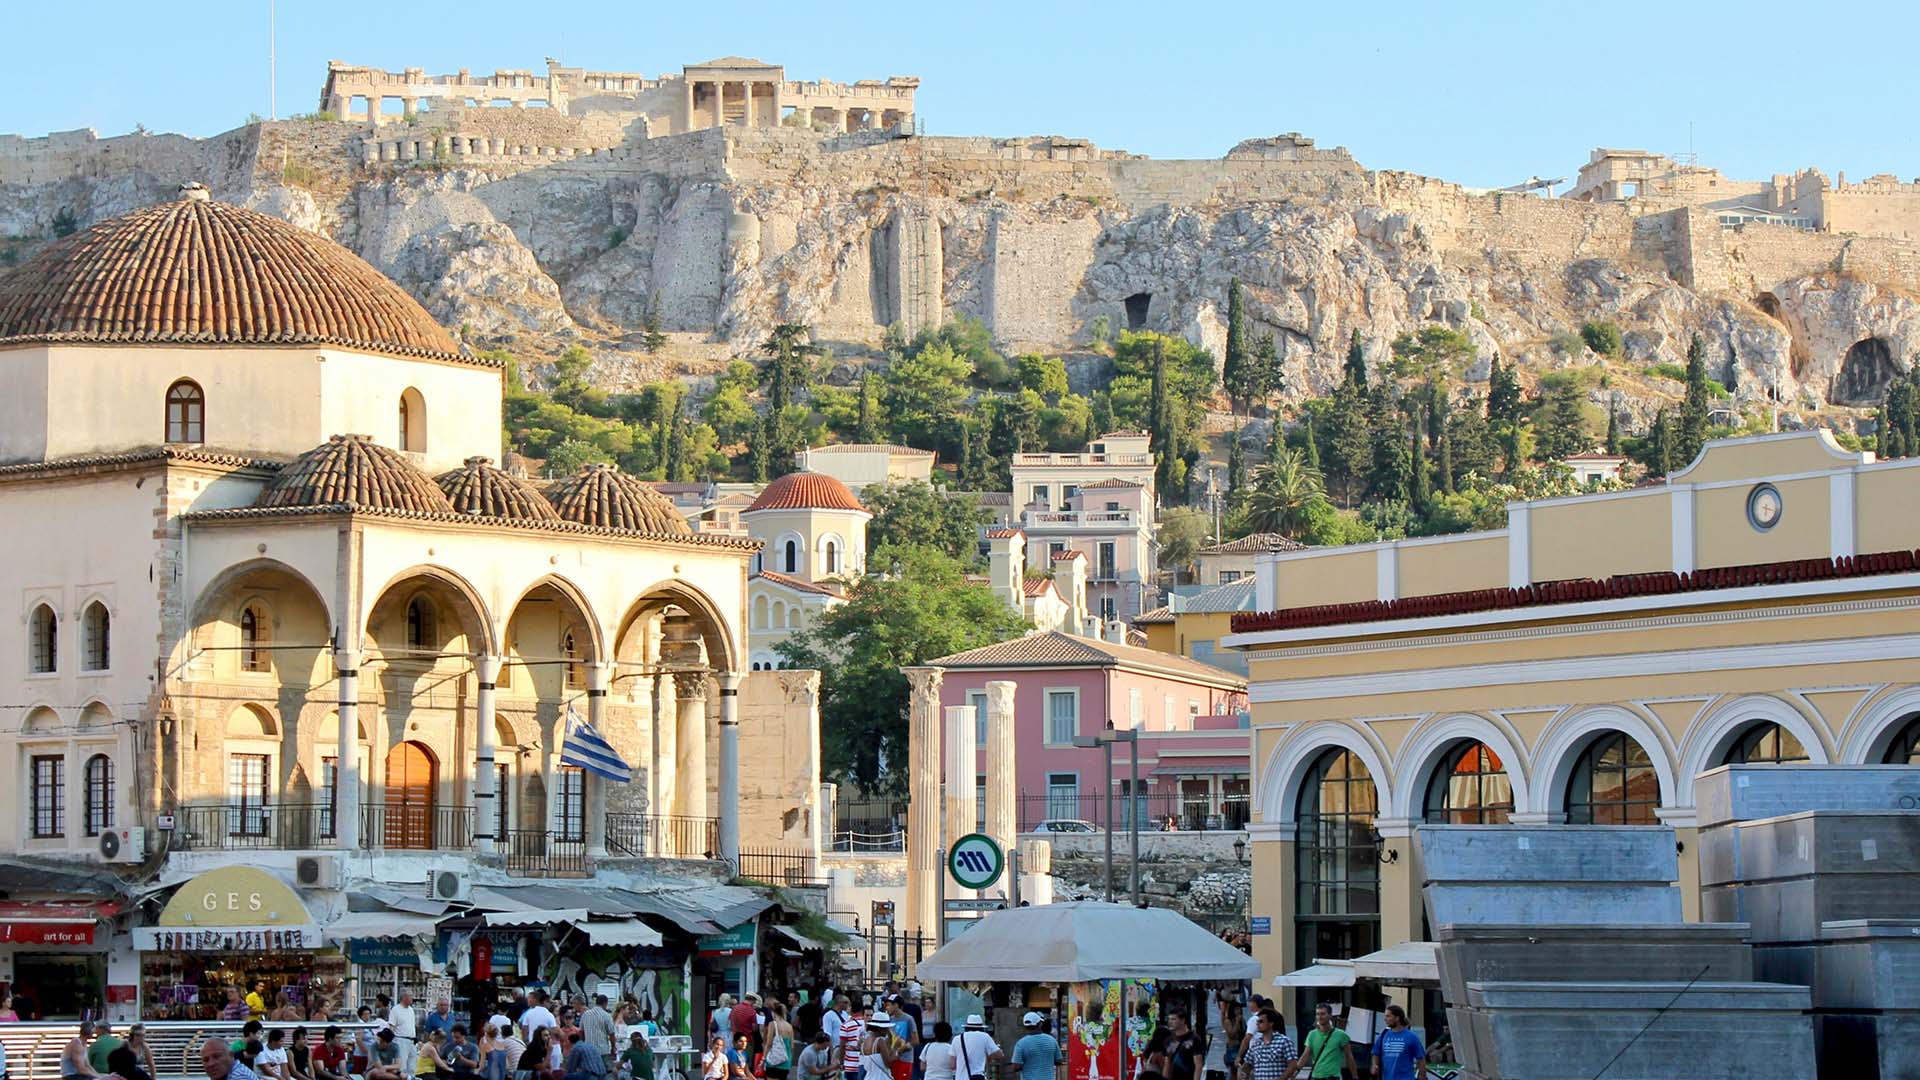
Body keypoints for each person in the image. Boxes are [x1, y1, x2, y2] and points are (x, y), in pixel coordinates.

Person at [1292, 1006, 1354, 1080]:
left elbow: (1349, 1056)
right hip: (1316, 1076)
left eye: (1323, 1014)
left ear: (1330, 1015)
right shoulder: (1312, 1034)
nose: (1320, 1017)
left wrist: (1355, 1076)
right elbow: (1305, 1055)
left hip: (1332, 1077)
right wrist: (1295, 1071)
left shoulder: (1341, 1035)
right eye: (1317, 1014)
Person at [1368, 1005, 1424, 1080]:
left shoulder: (1411, 1037)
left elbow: (1420, 1058)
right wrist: (1375, 1065)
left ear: (1397, 1018)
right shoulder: (1383, 1034)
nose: (1385, 1019)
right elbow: (1375, 1052)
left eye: (1388, 1016)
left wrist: (1422, 1075)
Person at [1236, 1009, 1293, 1080]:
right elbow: (1247, 1064)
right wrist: (1243, 1072)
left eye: (1261, 1021)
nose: (1257, 1024)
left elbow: (1292, 1065)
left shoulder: (1284, 1042)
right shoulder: (1256, 1044)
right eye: (1257, 1022)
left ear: (1270, 1023)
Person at [1008, 1013, 1058, 1080]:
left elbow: (1015, 1066)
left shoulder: (1021, 1043)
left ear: (1025, 1026)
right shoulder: (1052, 1040)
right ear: (1040, 1024)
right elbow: (1058, 1060)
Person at [1152, 1012, 1199, 1080]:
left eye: (1173, 1019)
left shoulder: (1154, 1053)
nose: (1170, 1022)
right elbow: (1167, 1068)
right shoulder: (1160, 1055)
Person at [880, 998, 915, 1080]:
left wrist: (901, 1049)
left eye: (889, 1005)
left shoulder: (909, 1019)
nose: (887, 1008)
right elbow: (889, 1039)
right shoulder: (890, 1019)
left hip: (905, 1059)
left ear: (896, 1005)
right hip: (892, 1058)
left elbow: (915, 1040)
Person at [762, 1001, 794, 1080]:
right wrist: (789, 1062)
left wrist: (763, 1059)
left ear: (773, 1012)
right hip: (785, 1062)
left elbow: (769, 1044)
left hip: (773, 1062)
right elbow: (792, 1046)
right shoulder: (789, 1026)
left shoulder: (773, 1024)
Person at [392, 992, 421, 1073]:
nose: (412, 998)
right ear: (404, 997)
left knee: (412, 1067)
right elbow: (392, 1027)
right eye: (410, 996)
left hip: (412, 1041)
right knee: (402, 1066)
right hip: (401, 1040)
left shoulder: (411, 1010)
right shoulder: (395, 1010)